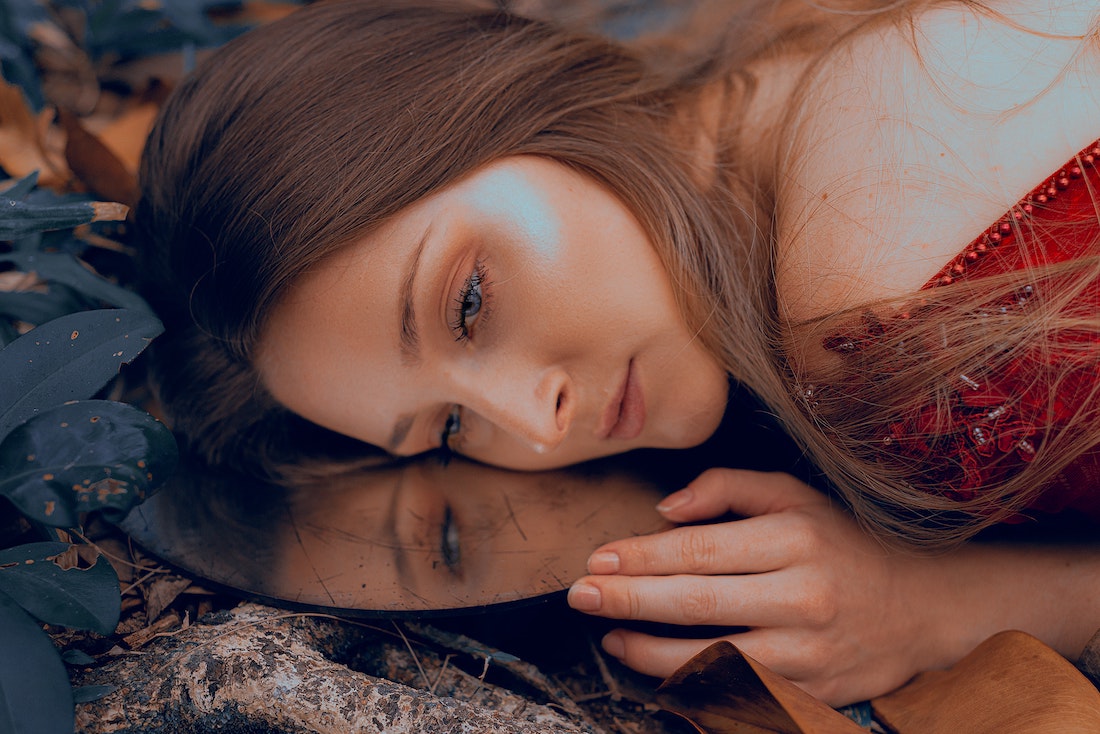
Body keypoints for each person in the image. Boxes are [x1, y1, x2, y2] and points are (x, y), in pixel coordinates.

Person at [134, 0, 1100, 707]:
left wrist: (954, 604)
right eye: (451, 426)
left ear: (516, 112)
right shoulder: (789, 94)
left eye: (468, 302)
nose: (532, 419)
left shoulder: (863, 283)